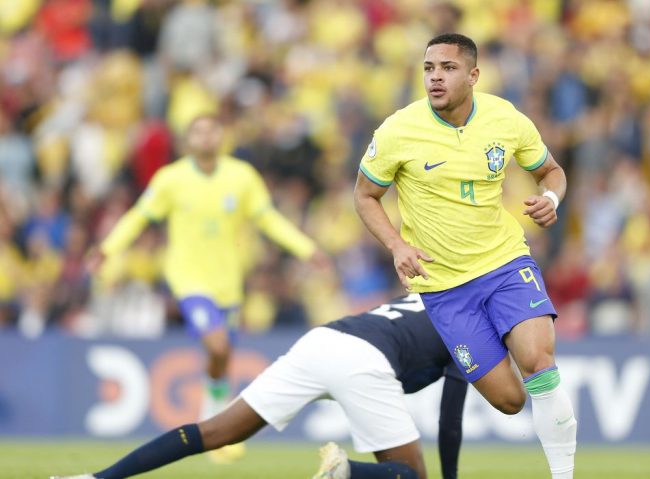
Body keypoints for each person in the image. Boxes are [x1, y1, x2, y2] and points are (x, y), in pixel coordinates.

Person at [353, 33, 577, 478]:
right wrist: (397, 245)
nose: (435, 77)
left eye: (448, 68)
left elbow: (550, 170)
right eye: (429, 68)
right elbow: (364, 196)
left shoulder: (505, 119)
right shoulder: (398, 130)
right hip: (445, 289)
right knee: (511, 401)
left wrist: (551, 197)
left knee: (538, 361)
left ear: (473, 75)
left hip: (504, 263)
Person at [87, 114, 327, 461]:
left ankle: (214, 418)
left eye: (212, 130)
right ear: (188, 140)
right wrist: (107, 248)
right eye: (198, 131)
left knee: (222, 354)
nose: (205, 136)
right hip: (188, 280)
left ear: (222, 136)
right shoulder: (171, 179)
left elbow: (267, 219)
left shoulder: (241, 177)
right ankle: (212, 414)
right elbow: (140, 215)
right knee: (217, 346)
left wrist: (306, 248)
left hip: (228, 284)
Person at [51, 294, 468, 479]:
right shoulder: (470, 324)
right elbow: (450, 420)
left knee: (216, 430)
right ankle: (343, 470)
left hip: (323, 340)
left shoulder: (432, 294)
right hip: (365, 361)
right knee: (409, 476)